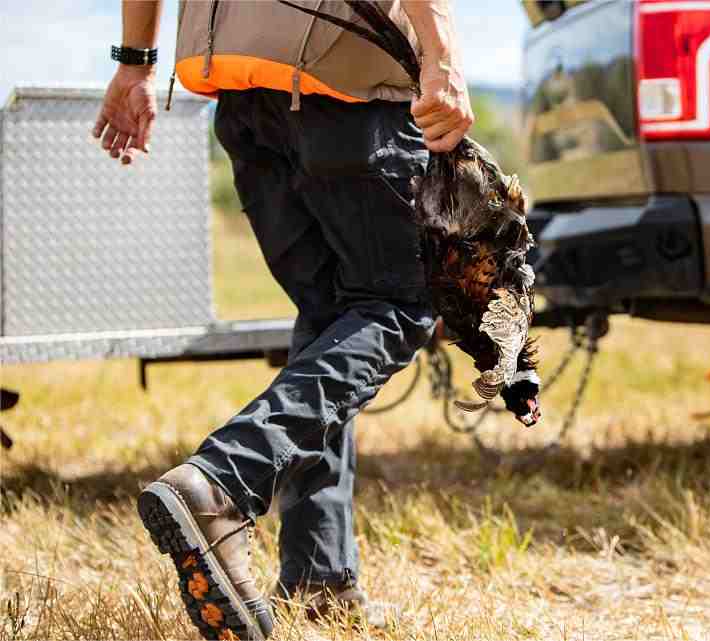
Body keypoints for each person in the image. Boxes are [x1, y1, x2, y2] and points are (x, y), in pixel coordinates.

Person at [92, 2, 473, 639]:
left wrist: (135, 64)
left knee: (329, 317)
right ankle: (222, 481)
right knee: (403, 304)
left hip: (242, 93)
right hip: (347, 82)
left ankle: (319, 579)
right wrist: (443, 57)